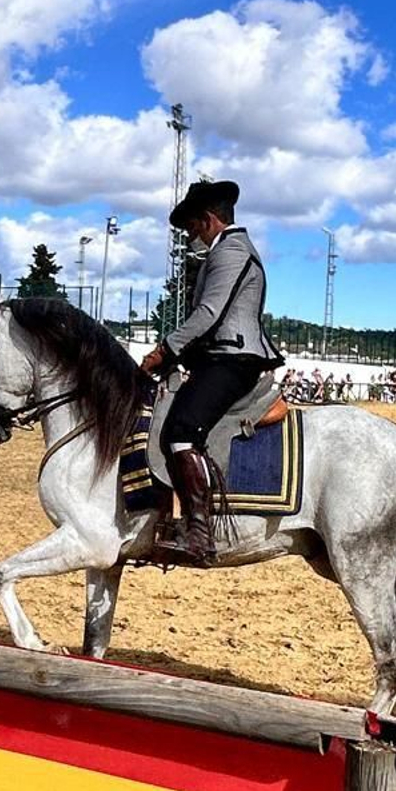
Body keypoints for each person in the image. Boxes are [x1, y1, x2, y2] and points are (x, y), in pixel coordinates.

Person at [140, 179, 281, 566]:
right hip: (217, 356)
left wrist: (164, 350)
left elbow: (209, 313)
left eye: (191, 227)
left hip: (234, 359)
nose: (190, 235)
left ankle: (200, 533)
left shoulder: (232, 251)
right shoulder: (221, 253)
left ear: (207, 220)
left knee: (182, 431)